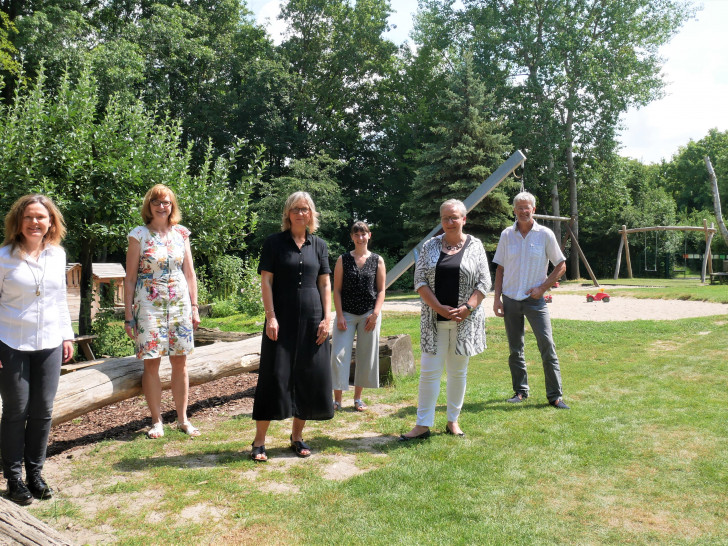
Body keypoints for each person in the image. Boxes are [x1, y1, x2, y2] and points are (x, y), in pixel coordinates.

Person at [0, 194, 75, 505]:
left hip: (49, 341)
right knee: (16, 410)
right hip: (11, 341)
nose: (35, 222)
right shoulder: (3, 256)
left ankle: (35, 473)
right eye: (29, 217)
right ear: (18, 222)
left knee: (43, 410)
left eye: (41, 217)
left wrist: (67, 335)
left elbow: (59, 299)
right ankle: (14, 478)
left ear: (51, 223)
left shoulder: (57, 255)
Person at [250, 192, 334, 462]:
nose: (300, 213)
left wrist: (327, 318)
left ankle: (296, 437)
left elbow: (324, 284)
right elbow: (266, 281)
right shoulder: (274, 243)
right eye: (295, 209)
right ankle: (259, 441)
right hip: (281, 319)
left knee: (307, 378)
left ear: (312, 214)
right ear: (288, 213)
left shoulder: (319, 245)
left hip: (313, 320)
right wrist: (270, 316)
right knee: (274, 377)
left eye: (305, 209)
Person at [400, 199, 491, 440]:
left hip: (465, 321)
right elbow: (419, 280)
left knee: (457, 373)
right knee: (429, 372)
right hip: (434, 320)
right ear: (441, 221)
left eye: (454, 217)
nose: (450, 222)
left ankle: (453, 421)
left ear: (464, 219)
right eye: (445, 218)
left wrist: (468, 308)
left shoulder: (476, 246)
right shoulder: (430, 246)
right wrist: (438, 307)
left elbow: (484, 282)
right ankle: (422, 424)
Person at [124, 184, 201, 439]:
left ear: (172, 206)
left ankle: (182, 419)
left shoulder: (181, 233)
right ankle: (157, 421)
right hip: (148, 306)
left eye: (166, 202)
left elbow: (190, 273)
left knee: (180, 362)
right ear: (149, 205)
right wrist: (128, 315)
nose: (161, 206)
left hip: (180, 304)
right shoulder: (138, 235)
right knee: (152, 364)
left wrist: (195, 306)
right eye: (156, 202)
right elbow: (130, 278)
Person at [492, 191, 569, 409]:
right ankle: (520, 392)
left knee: (547, 345)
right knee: (515, 349)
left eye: (528, 207)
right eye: (520, 208)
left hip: (535, 301)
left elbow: (561, 265)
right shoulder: (507, 235)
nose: (524, 211)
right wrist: (497, 300)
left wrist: (542, 288)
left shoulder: (545, 234)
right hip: (510, 299)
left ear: (533, 210)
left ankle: (555, 396)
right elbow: (500, 269)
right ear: (514, 211)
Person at [330, 221, 386, 412]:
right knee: (338, 355)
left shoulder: (377, 260)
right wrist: (339, 315)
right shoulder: (343, 259)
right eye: (357, 234)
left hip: (368, 315)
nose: (360, 238)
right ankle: (337, 400)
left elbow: (381, 291)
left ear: (369, 235)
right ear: (352, 237)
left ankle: (358, 399)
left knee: (365, 355)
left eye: (364, 234)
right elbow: (336, 290)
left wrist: (375, 314)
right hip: (345, 313)